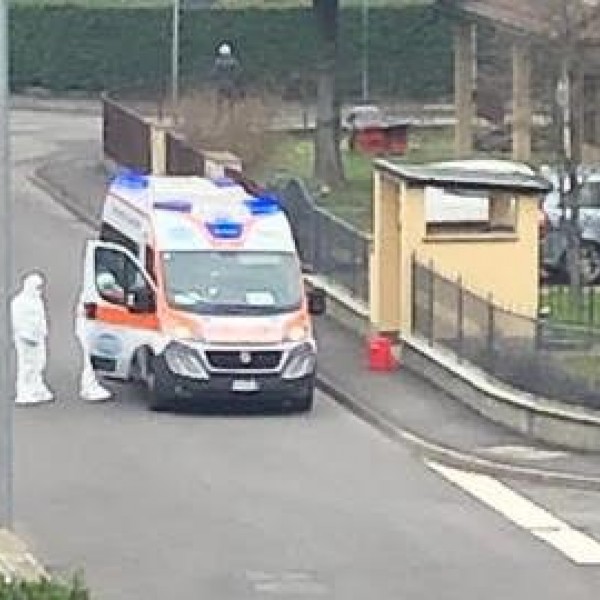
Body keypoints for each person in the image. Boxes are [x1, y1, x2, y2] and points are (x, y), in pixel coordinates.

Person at [10, 272, 54, 405]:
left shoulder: (37, 300)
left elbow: (41, 317)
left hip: (38, 337)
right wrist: (27, 335)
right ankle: (24, 391)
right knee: (27, 366)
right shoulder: (19, 302)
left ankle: (36, 387)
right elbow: (18, 322)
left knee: (39, 363)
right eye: (37, 287)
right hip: (26, 340)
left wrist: (43, 331)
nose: (39, 290)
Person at [74, 273, 114, 402]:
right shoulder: (92, 299)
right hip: (88, 332)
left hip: (90, 331)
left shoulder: (94, 295)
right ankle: (88, 388)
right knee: (88, 361)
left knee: (89, 361)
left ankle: (90, 386)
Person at [210, 42, 243, 113]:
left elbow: (214, 73)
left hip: (221, 84)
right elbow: (239, 71)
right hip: (231, 84)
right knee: (232, 101)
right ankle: (231, 114)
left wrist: (212, 77)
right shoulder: (233, 61)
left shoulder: (218, 61)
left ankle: (219, 113)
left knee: (219, 101)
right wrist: (235, 79)